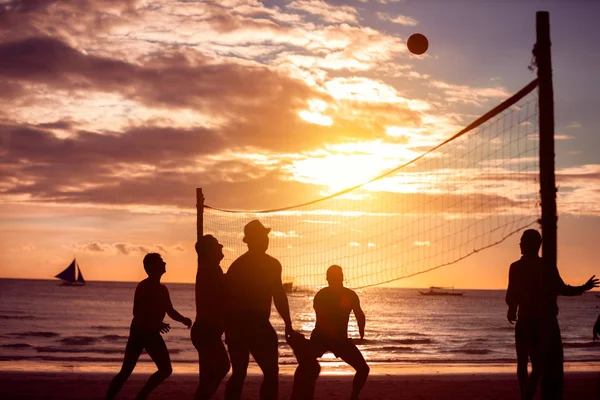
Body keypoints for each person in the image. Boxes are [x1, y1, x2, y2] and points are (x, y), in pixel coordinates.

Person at [505, 229, 598, 400]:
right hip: (540, 324)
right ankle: (527, 395)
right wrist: (583, 288)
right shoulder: (544, 266)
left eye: (523, 241)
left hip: (527, 322)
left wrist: (512, 309)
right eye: (521, 241)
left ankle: (525, 396)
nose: (520, 244)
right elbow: (562, 289)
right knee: (537, 366)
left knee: (524, 364)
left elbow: (511, 296)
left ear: (533, 245)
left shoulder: (517, 267)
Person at [224, 220, 295, 400]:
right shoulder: (244, 266)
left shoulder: (244, 266)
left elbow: (278, 295)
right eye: (263, 236)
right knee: (253, 373)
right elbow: (278, 295)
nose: (266, 239)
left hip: (244, 326)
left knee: (252, 373)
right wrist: (288, 324)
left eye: (266, 236)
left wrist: (288, 323)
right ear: (252, 240)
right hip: (249, 325)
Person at [106, 253, 192, 400]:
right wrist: (156, 323)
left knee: (165, 370)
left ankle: (141, 397)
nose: (165, 263)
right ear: (152, 267)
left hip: (151, 333)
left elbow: (169, 310)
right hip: (139, 333)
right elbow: (137, 312)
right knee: (126, 371)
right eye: (161, 262)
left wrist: (183, 319)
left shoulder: (163, 289)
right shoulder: (144, 286)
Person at [290, 265, 369, 400]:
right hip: (332, 339)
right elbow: (360, 316)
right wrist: (360, 333)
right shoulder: (346, 295)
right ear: (341, 277)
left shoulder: (323, 294)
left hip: (325, 338)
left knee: (305, 365)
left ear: (327, 278)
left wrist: (359, 331)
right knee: (363, 369)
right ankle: (354, 397)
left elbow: (322, 318)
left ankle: (296, 395)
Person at [192, 235, 230, 400]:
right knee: (222, 367)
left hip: (207, 330)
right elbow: (221, 296)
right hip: (206, 330)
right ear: (210, 251)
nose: (221, 247)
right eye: (217, 246)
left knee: (212, 371)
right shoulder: (210, 269)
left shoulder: (210, 268)